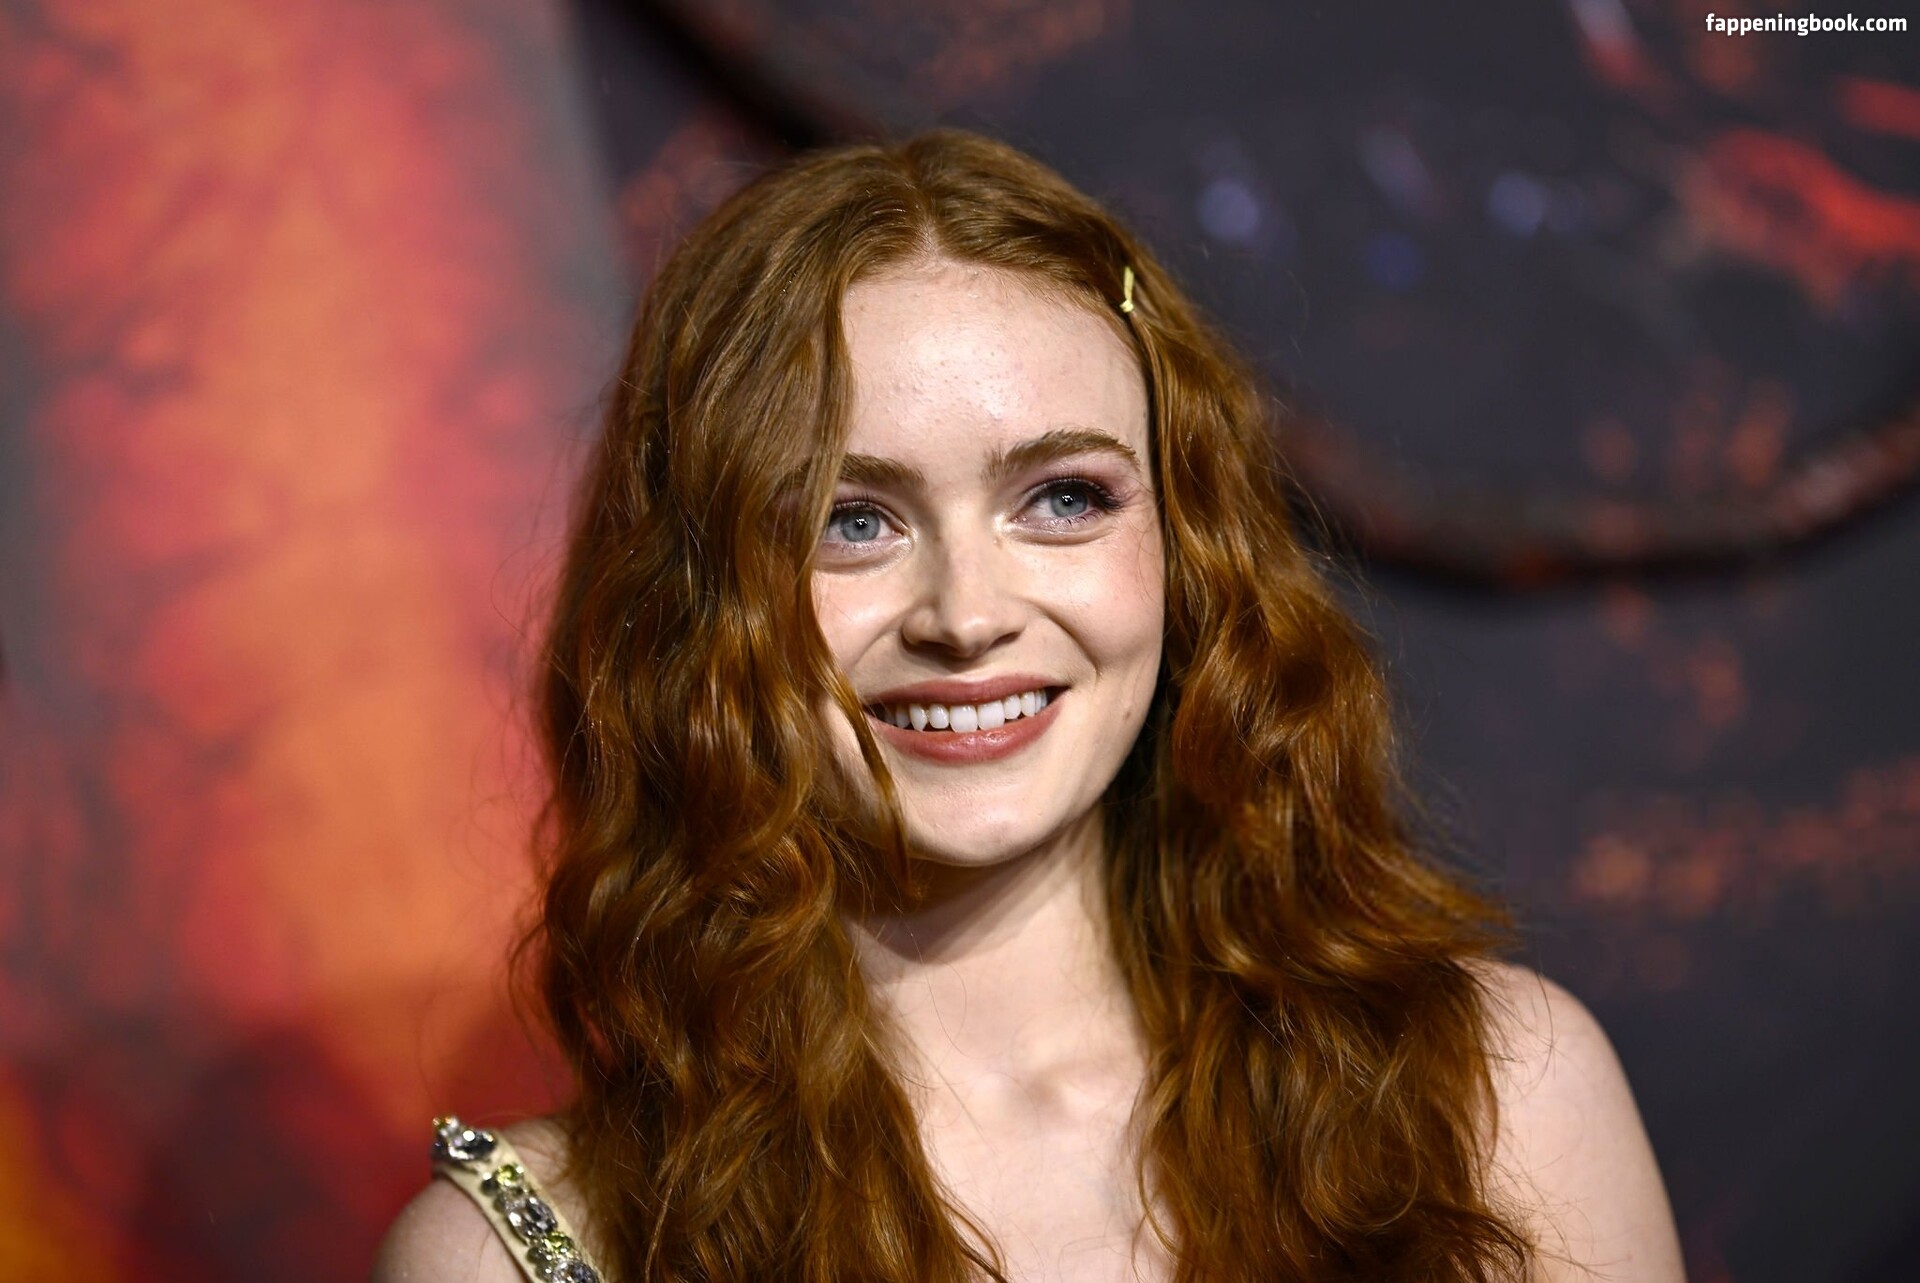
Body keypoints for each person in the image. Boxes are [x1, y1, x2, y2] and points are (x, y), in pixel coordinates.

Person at [373, 130, 1684, 1283]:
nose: (967, 614)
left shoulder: (1497, 1098)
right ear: (693, 598)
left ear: (1189, 543)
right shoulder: (515, 1256)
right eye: (849, 520)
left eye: (1062, 499)